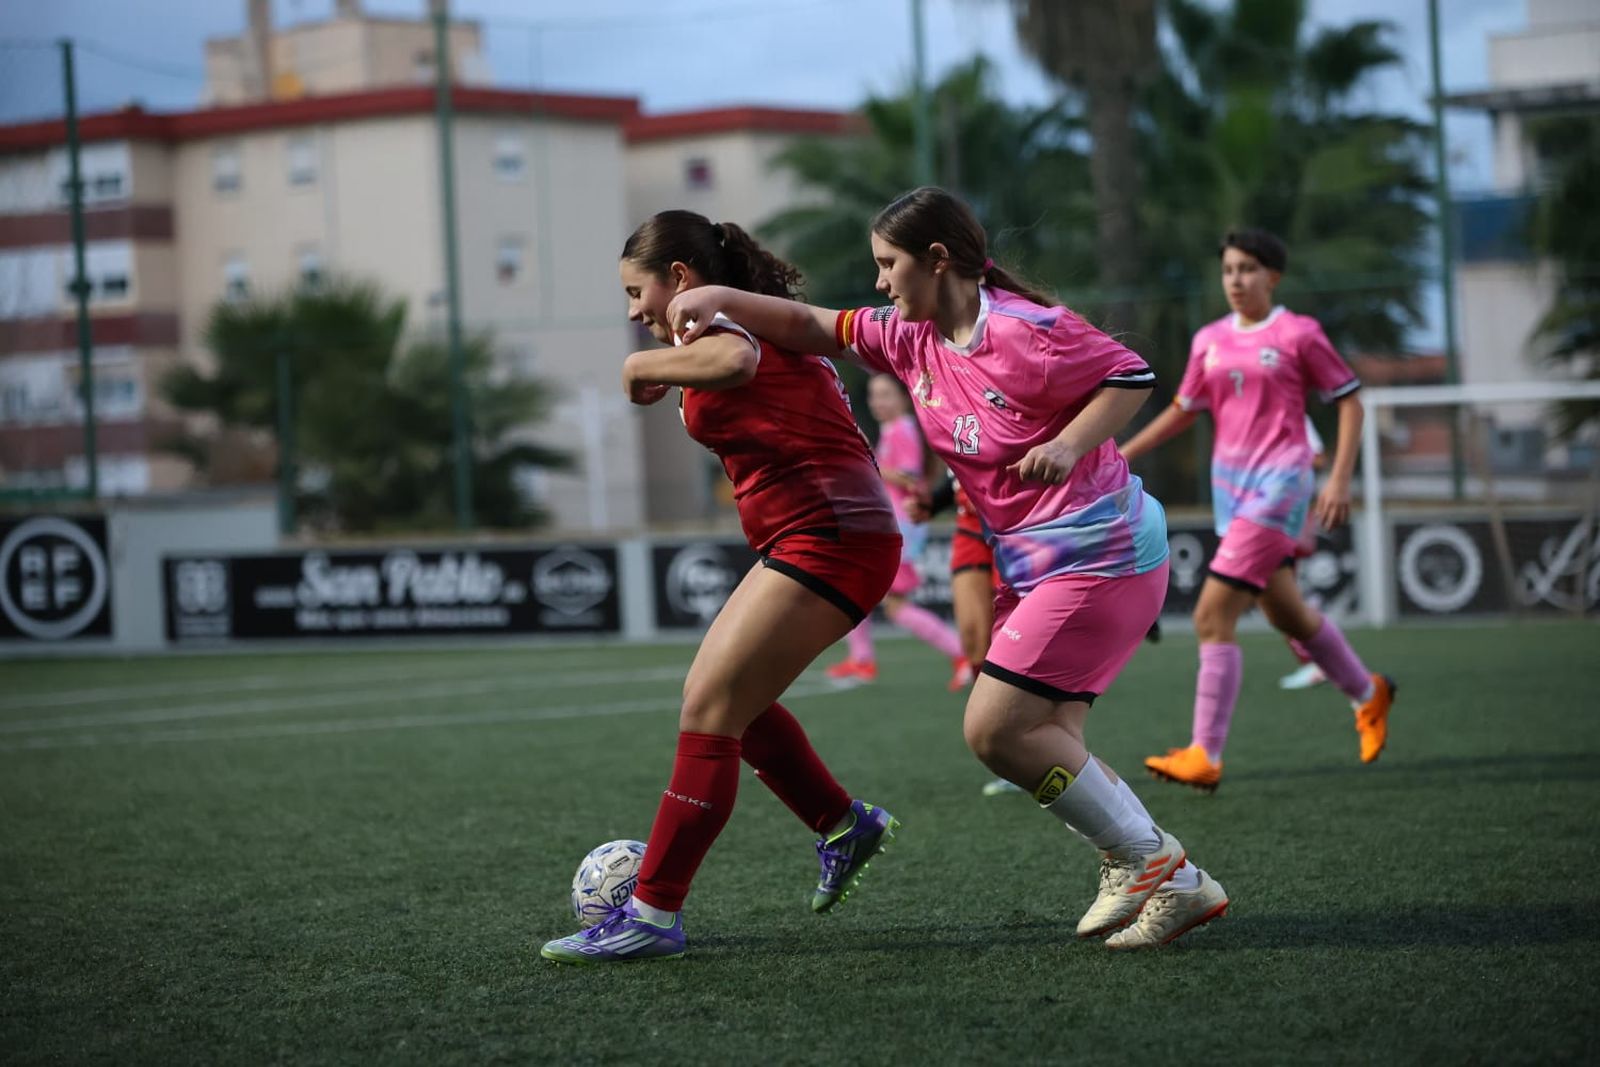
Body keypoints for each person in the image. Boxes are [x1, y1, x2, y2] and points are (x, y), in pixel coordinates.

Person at [670, 186, 1228, 950]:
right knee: (1045, 737)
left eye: (888, 264)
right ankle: (1171, 879)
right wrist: (713, 297)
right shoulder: (909, 339)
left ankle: (1149, 859)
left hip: (1101, 554)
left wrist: (1068, 443)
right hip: (1039, 566)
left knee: (996, 728)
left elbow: (1130, 375)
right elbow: (807, 323)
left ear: (938, 261)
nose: (879, 282)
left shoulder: (1027, 329)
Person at [541, 211, 905, 965]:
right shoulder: (727, 319)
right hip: (826, 533)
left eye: (637, 291)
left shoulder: (720, 322)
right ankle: (842, 823)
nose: (634, 311)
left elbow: (736, 365)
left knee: (709, 707)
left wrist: (641, 368)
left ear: (679, 279)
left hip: (831, 536)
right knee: (731, 699)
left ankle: (653, 910)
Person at [1119, 228, 1397, 793]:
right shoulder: (1209, 340)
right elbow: (1183, 409)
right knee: (1286, 613)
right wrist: (1120, 452)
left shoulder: (1299, 333)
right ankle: (1369, 695)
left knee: (1210, 615)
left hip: (1282, 486)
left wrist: (1339, 478)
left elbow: (1349, 403)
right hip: (1233, 492)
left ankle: (1205, 754)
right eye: (1228, 271)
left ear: (1273, 276)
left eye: (1247, 269)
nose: (1236, 280)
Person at [827, 373, 971, 690]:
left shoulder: (903, 429)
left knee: (890, 604)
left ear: (904, 398)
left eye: (885, 395)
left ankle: (962, 654)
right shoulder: (896, 429)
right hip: (890, 526)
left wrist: (867, 463)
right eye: (874, 395)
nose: (878, 402)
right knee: (854, 588)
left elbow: (908, 478)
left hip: (899, 529)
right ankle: (862, 659)